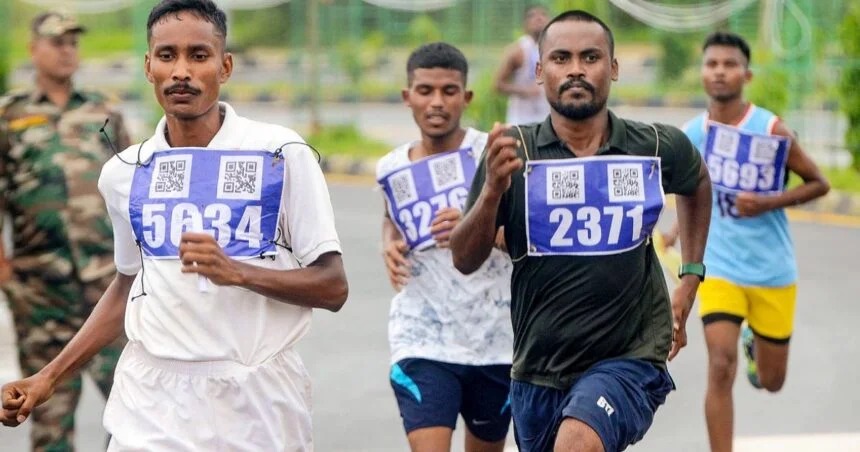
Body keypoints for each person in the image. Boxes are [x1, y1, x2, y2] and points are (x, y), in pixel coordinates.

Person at [0, 1, 348, 450]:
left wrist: (238, 272)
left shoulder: (280, 154)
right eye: (167, 56)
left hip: (256, 400)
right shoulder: (126, 171)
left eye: (198, 56)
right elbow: (128, 283)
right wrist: (48, 377)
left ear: (225, 66)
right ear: (149, 67)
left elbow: (333, 287)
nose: (181, 71)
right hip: (151, 401)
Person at [451, 10, 713, 452]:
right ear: (539, 71)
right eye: (561, 58)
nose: (575, 69)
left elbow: (697, 181)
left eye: (590, 57)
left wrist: (690, 278)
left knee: (578, 441)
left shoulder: (653, 146)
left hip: (631, 357)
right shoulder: (514, 152)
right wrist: (493, 191)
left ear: (613, 68)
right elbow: (463, 258)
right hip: (538, 370)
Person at [668, 31, 829, 452]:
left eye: (730, 64)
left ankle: (755, 348)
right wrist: (673, 233)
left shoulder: (770, 129)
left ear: (747, 74)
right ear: (702, 73)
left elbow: (819, 183)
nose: (720, 72)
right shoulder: (693, 134)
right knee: (720, 365)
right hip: (720, 267)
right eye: (712, 64)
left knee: (772, 382)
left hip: (772, 269)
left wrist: (769, 202)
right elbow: (691, 195)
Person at [0, 11, 131, 450]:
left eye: (73, 42)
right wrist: (6, 274)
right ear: (33, 49)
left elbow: (134, 187)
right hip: (41, 294)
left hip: (107, 287)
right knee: (49, 419)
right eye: (57, 42)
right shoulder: (9, 115)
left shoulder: (104, 111)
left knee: (136, 408)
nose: (67, 50)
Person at [377, 42, 514, 452]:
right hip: (422, 337)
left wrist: (475, 226)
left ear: (466, 97)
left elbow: (527, 236)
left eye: (449, 91)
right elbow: (391, 217)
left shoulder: (492, 154)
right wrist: (389, 243)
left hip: (495, 340)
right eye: (425, 91)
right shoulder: (391, 167)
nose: (437, 102)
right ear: (408, 97)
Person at [494, 4, 551, 125]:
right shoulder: (517, 50)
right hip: (521, 120)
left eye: (543, 15)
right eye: (532, 16)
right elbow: (498, 84)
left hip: (548, 118)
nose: (538, 18)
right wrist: (524, 91)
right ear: (525, 24)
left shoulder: (556, 48)